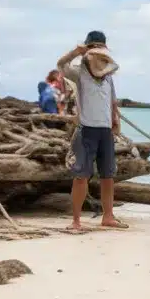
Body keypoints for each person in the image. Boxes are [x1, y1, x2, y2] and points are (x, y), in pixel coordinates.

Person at [57, 30, 128, 232]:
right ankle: (76, 221)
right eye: (93, 47)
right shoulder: (79, 72)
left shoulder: (108, 76)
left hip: (105, 130)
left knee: (108, 176)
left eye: (100, 48)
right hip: (86, 129)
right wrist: (74, 52)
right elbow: (60, 66)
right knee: (81, 176)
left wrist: (116, 120)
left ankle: (108, 217)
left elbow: (112, 101)